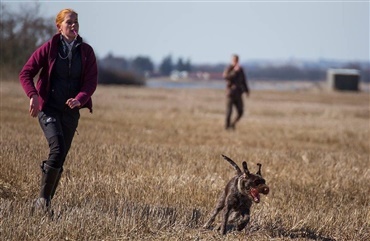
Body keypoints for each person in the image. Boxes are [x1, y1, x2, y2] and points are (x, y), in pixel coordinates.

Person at [19, 8, 98, 214]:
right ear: (59, 26)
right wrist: (33, 95)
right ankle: (42, 201)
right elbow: (25, 73)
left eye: (76, 22)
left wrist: (80, 99)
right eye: (69, 22)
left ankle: (46, 204)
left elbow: (91, 82)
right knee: (57, 149)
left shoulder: (87, 52)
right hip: (49, 109)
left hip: (71, 113)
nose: (74, 26)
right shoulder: (49, 48)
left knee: (61, 157)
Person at [223, 54, 249, 130]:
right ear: (232, 60)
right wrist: (234, 71)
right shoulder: (229, 68)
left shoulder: (241, 69)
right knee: (229, 112)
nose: (235, 61)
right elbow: (226, 77)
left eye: (237, 60)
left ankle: (232, 124)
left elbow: (244, 80)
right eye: (234, 60)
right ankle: (227, 127)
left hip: (238, 93)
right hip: (230, 94)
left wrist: (246, 90)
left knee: (240, 112)